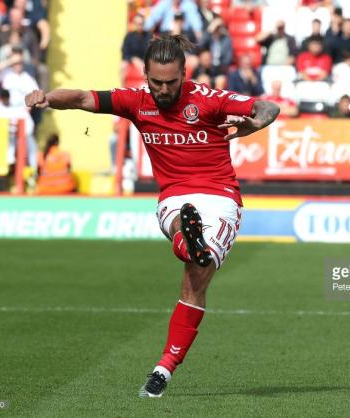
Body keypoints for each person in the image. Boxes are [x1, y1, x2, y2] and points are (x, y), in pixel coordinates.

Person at [24, 34, 280, 398]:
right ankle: (189, 239)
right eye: (155, 81)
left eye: (171, 82)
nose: (162, 89)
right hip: (174, 195)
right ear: (144, 73)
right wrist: (47, 97)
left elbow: (268, 107)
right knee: (188, 235)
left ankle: (164, 368)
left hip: (221, 196)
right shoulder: (136, 101)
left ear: (184, 74)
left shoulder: (208, 99)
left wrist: (253, 124)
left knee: (196, 277)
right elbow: (82, 98)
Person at [121, 14, 152, 83]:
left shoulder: (149, 36)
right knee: (122, 66)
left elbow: (151, 52)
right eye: (137, 24)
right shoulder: (129, 36)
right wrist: (133, 59)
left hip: (145, 61)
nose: (139, 26)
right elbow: (124, 52)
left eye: (141, 24)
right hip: (131, 60)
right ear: (134, 24)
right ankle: (122, 87)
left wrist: (144, 61)